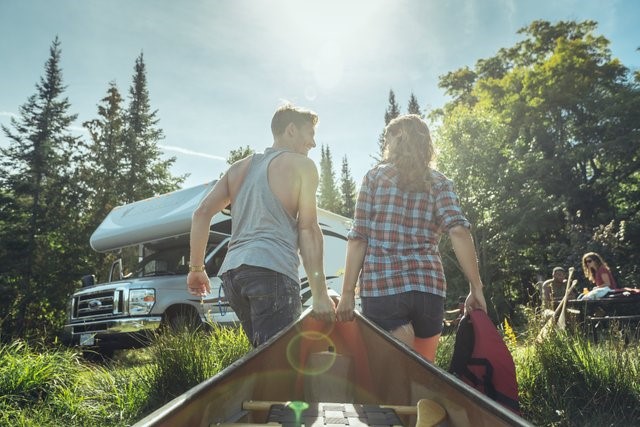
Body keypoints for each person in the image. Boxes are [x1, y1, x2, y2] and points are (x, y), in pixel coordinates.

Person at [335, 114, 487, 362]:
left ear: (395, 140)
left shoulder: (374, 179)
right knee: (422, 374)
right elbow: (459, 230)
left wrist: (347, 293)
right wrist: (476, 287)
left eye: (388, 138)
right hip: (429, 290)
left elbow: (358, 238)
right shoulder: (440, 182)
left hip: (383, 287)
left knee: (392, 376)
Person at [187, 104, 336, 347]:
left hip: (234, 276)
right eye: (310, 134)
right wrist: (320, 295)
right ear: (290, 131)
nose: (313, 143)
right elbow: (308, 229)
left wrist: (196, 268)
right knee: (280, 365)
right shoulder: (302, 166)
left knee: (263, 358)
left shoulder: (238, 168)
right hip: (271, 270)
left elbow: (201, 213)